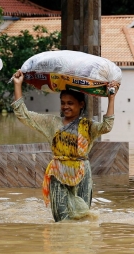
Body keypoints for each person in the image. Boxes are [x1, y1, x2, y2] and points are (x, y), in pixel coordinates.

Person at [10, 71, 120, 222]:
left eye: (70, 103)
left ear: (81, 104)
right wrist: (18, 85)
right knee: (61, 220)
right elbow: (23, 115)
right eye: (63, 103)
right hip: (58, 172)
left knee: (82, 217)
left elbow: (107, 126)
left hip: (82, 173)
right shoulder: (52, 123)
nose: (65, 107)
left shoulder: (88, 126)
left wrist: (111, 98)